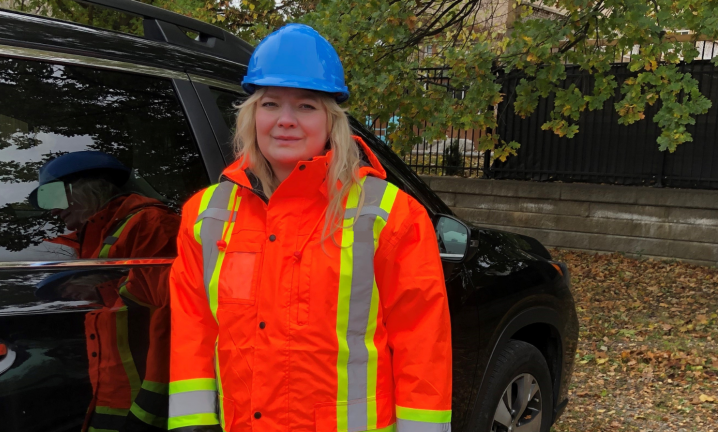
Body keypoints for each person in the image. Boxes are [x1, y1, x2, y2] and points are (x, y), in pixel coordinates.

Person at [168, 24, 452, 432]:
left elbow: (423, 349)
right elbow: (193, 331)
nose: (285, 121)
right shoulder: (206, 215)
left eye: (305, 106)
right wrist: (193, 425)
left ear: (331, 121)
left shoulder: (391, 215)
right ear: (251, 116)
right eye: (270, 104)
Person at [30, 151, 180, 432]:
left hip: (148, 403)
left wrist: (98, 291)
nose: (51, 211)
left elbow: (171, 305)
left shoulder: (151, 223)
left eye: (54, 198)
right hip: (110, 398)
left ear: (86, 189)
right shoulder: (89, 240)